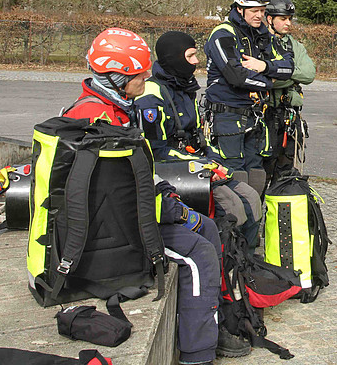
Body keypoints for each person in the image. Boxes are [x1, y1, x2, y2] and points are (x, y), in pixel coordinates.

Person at [67, 28, 250, 363]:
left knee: (209, 228)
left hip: (125, 220)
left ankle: (220, 316)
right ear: (117, 76)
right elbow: (111, 195)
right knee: (197, 254)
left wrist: (169, 197)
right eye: (140, 73)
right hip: (107, 235)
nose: (147, 77)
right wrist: (175, 213)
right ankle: (199, 354)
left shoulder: (117, 111)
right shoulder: (94, 120)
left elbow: (139, 173)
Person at [134, 31, 262, 248]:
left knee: (251, 197)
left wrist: (213, 159)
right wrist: (202, 165)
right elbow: (155, 151)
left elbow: (200, 136)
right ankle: (226, 262)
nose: (196, 61)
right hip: (172, 170)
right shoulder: (151, 96)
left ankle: (245, 258)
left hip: (195, 164)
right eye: (191, 56)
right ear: (174, 58)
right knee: (233, 206)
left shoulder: (185, 88)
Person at [203, 0, 294, 196]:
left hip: (255, 118)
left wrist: (264, 66)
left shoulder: (261, 34)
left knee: (256, 175)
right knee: (234, 178)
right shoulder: (223, 34)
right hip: (227, 117)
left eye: (262, 11)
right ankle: (231, 229)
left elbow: (289, 67)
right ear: (239, 8)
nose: (259, 16)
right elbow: (236, 76)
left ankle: (253, 227)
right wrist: (269, 82)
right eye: (254, 11)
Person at [262, 0, 316, 187]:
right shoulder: (260, 43)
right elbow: (264, 81)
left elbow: (309, 74)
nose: (288, 23)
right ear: (269, 19)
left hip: (288, 120)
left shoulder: (294, 45)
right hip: (264, 119)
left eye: (290, 18)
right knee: (261, 173)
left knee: (284, 175)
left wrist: (281, 74)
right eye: (283, 18)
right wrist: (290, 75)